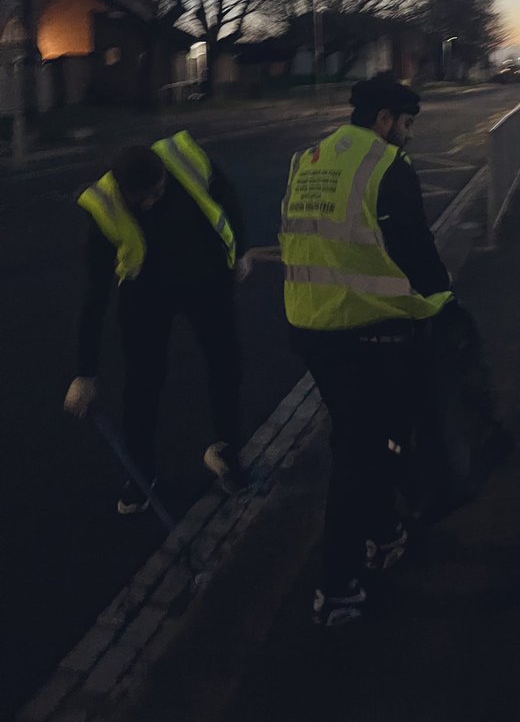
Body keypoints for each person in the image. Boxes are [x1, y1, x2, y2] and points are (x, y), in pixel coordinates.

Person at [279, 76, 457, 627]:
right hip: (366, 328)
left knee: (366, 436)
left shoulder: (309, 159)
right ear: (384, 119)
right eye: (407, 123)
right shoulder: (386, 165)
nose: (409, 134)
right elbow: (415, 247)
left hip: (309, 323)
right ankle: (337, 586)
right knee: (358, 452)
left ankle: (383, 532)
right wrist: (444, 304)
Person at [63, 131, 251, 512]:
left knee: (226, 365)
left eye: (157, 192)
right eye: (141, 199)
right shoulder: (104, 205)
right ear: (123, 190)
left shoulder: (185, 158)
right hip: (146, 293)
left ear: (164, 175)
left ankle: (228, 453)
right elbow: (95, 294)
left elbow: (228, 199)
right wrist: (85, 373)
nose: (150, 203)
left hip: (206, 278)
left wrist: (242, 252)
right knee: (143, 383)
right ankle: (141, 475)